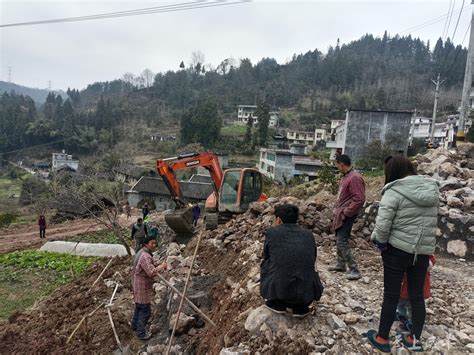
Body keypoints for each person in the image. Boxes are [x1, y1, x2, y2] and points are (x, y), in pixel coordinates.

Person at [367, 156, 439, 353]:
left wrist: (379, 242)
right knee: (417, 296)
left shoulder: (394, 191)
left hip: (396, 250)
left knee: (391, 295)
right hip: (422, 252)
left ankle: (382, 338)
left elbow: (382, 226)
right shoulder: (431, 190)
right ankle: (414, 338)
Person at [260, 204, 324, 318]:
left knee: (267, 264)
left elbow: (267, 255)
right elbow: (313, 258)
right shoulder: (308, 234)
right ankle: (300, 308)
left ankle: (277, 303)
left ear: (278, 220)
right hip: (306, 294)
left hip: (279, 290)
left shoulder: (272, 232)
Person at [329, 154, 365, 280]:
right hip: (341, 213)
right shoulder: (346, 177)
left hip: (346, 215)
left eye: (337, 164)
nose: (337, 167)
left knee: (342, 240)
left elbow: (359, 199)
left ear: (341, 164)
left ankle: (354, 269)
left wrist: (347, 212)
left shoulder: (354, 177)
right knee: (339, 237)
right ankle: (341, 264)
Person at [131, 235, 167, 340]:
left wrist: (158, 264)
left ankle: (134, 325)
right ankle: (141, 333)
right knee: (145, 309)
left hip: (138, 283)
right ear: (146, 244)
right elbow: (151, 272)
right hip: (141, 284)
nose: (154, 245)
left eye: (155, 243)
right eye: (152, 243)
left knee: (139, 306)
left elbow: (149, 265)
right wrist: (161, 267)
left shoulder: (142, 252)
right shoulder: (145, 256)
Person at [396, 256, 436, 333]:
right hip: (403, 281)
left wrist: (425, 264)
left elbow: (431, 259)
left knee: (412, 305)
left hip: (416, 282)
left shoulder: (425, 251)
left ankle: (412, 323)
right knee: (399, 301)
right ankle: (402, 315)